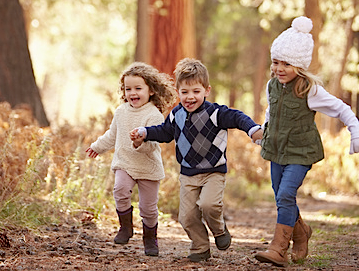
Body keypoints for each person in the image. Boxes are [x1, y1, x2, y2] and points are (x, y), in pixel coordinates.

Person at [130, 58, 263, 262]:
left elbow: (237, 117)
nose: (190, 97)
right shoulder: (176, 115)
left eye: (195, 91)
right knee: (187, 216)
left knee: (209, 205)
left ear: (206, 91)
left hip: (213, 171)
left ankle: (219, 230)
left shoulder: (215, 113)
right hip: (188, 173)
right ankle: (200, 246)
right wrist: (145, 132)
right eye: (184, 92)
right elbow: (165, 133)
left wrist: (253, 129)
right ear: (178, 92)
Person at [254, 16, 359, 267]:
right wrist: (263, 131)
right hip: (277, 149)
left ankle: (278, 248)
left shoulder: (309, 89)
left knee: (286, 193)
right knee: (281, 195)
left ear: (299, 66)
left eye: (286, 64)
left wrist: (355, 131)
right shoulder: (273, 85)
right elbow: (272, 111)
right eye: (276, 62)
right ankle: (301, 233)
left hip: (301, 152)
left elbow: (342, 109)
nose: (279, 68)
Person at [86, 62, 177, 256]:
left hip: (148, 167)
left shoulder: (154, 115)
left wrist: (138, 143)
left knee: (148, 209)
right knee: (120, 190)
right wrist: (96, 147)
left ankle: (150, 238)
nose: (132, 93)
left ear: (151, 90)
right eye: (128, 89)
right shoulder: (121, 111)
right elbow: (112, 135)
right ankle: (125, 227)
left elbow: (152, 146)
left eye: (138, 88)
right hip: (125, 163)